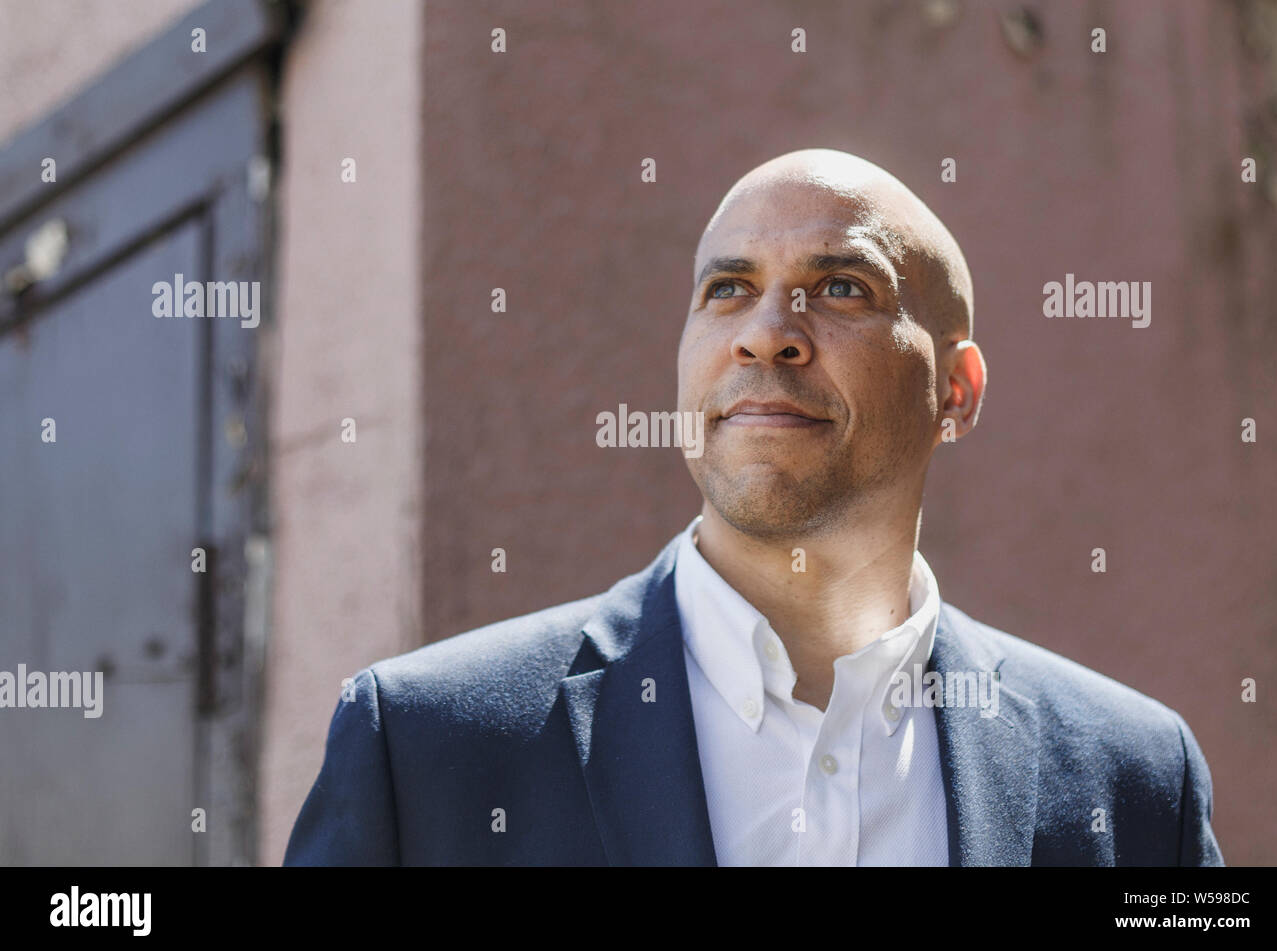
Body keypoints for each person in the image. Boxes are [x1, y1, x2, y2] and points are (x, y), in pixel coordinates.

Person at [284, 148, 1224, 866]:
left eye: (842, 288)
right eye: (729, 289)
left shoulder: (1134, 781)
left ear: (956, 392)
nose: (767, 335)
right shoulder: (424, 748)